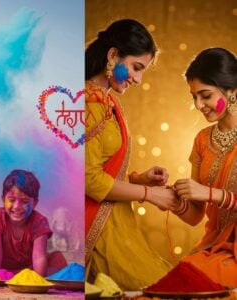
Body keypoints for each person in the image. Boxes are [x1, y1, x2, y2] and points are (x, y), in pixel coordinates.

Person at [85, 19, 180, 290]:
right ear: (113, 55)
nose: (139, 79)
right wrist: (152, 196)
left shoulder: (108, 99)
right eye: (136, 67)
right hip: (100, 231)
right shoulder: (88, 102)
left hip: (119, 224)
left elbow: (104, 171)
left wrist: (140, 180)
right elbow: (89, 181)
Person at [174, 47, 237, 287]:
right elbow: (195, 216)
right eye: (194, 97)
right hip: (213, 248)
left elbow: (206, 195)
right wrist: (172, 198)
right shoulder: (202, 140)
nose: (198, 105)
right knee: (179, 278)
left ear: (232, 89)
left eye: (205, 95)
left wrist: (211, 194)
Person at [0, 169, 67, 276]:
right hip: (5, 272)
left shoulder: (39, 222)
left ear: (35, 203)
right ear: (3, 199)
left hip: (30, 272)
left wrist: (37, 282)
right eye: (11, 200)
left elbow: (39, 258)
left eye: (24, 201)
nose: (17, 207)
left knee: (57, 258)